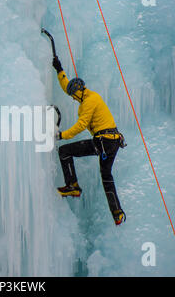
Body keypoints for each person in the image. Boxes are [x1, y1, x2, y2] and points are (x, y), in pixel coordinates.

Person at [52, 56, 126, 226]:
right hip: (112, 141)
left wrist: (61, 135)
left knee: (64, 151)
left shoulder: (89, 101)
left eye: (73, 95)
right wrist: (59, 69)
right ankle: (117, 213)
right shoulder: (87, 96)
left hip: (104, 141)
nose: (72, 98)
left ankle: (72, 186)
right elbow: (67, 88)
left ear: (78, 92)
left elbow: (81, 125)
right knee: (106, 176)